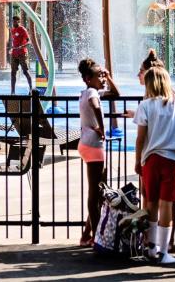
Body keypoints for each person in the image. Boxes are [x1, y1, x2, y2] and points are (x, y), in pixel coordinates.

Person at [134, 64, 175, 265]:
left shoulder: (145, 105)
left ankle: (151, 247)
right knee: (167, 204)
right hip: (172, 159)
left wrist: (138, 160)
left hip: (151, 159)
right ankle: (164, 251)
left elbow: (140, 138)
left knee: (151, 203)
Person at [77, 58, 120, 247]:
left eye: (103, 75)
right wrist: (102, 128)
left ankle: (87, 234)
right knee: (95, 193)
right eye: (99, 76)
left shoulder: (88, 91)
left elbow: (116, 94)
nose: (102, 79)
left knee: (99, 190)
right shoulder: (92, 93)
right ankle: (96, 237)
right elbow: (95, 105)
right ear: (88, 78)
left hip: (87, 144)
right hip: (93, 145)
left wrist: (108, 77)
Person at [8, 15, 32, 94]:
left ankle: (31, 90)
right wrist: (12, 48)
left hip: (22, 53)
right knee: (13, 73)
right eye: (13, 21)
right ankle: (12, 92)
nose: (13, 23)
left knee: (25, 72)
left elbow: (29, 41)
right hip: (14, 54)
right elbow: (14, 41)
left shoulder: (22, 29)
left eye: (15, 21)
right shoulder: (12, 30)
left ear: (18, 21)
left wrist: (22, 46)